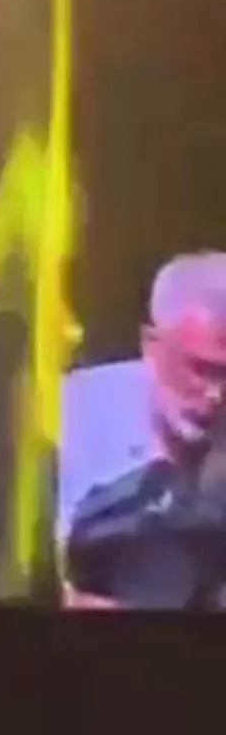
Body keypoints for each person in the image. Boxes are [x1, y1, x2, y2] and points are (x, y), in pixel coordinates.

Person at [61, 253, 226, 605]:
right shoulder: (73, 415)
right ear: (151, 344)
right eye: (200, 369)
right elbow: (31, 580)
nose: (216, 395)